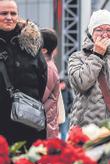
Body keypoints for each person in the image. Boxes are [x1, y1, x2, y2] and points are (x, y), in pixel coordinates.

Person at [0, 0, 47, 145]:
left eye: (13, 13)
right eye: (3, 13)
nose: (9, 17)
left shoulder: (30, 44)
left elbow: (42, 79)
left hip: (28, 122)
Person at [41, 28, 60, 138]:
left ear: (43, 50)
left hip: (47, 126)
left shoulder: (48, 68)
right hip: (45, 123)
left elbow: (41, 96)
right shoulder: (47, 66)